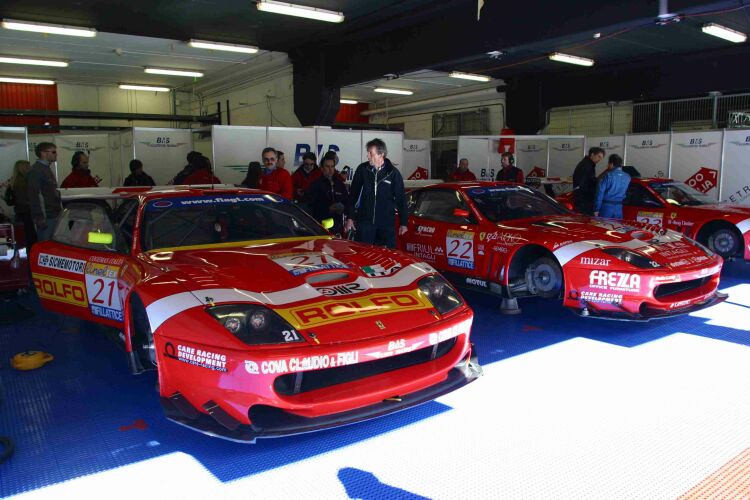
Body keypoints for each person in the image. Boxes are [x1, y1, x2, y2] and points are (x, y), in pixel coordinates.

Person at [344, 138, 407, 248]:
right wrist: (350, 217)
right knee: (363, 256)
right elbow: (353, 195)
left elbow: (401, 199)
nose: (368, 156)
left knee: (387, 258)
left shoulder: (393, 173)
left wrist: (403, 223)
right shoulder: (362, 169)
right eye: (367, 153)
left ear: (381, 154)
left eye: (370, 153)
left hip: (386, 225)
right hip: (365, 224)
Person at [27, 142, 62, 241]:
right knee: (46, 245)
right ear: (43, 153)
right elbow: (34, 194)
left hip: (53, 214)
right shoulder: (36, 170)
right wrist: (39, 217)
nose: (56, 154)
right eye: (53, 152)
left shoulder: (45, 168)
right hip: (46, 216)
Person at [307, 151, 349, 234]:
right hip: (320, 227)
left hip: (338, 226)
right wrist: (327, 209)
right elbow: (310, 207)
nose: (330, 169)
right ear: (322, 168)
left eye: (332, 166)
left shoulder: (339, 184)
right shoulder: (316, 185)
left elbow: (347, 202)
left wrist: (343, 208)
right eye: (327, 166)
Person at [5, 160, 36, 246]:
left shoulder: (14, 181)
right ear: (24, 168)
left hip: (19, 212)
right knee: (30, 237)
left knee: (24, 237)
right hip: (27, 212)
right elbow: (24, 200)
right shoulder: (23, 182)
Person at [594, 154, 630, 218]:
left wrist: (596, 209)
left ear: (612, 164)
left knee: (603, 227)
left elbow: (600, 193)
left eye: (608, 164)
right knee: (617, 227)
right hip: (619, 208)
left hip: (606, 208)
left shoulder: (607, 175)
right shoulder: (627, 176)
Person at [572, 146, 605, 215]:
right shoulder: (587, 165)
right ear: (592, 154)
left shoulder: (587, 163)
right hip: (584, 200)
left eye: (601, 158)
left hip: (581, 198)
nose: (599, 160)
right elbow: (584, 183)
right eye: (599, 156)